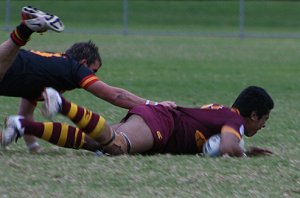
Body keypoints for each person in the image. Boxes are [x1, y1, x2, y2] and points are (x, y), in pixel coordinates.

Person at [0, 6, 176, 153]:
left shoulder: (49, 76)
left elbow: (24, 115)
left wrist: (34, 148)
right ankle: (25, 29)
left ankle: (26, 29)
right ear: (84, 63)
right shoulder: (73, 68)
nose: (94, 76)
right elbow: (116, 95)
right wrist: (154, 105)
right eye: (94, 70)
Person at [1, 86, 274, 157]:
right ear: (252, 115)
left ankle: (22, 125)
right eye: (264, 120)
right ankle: (61, 104)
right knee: (116, 146)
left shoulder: (220, 111)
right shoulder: (234, 120)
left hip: (158, 118)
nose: (262, 127)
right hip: (161, 124)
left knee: (92, 142)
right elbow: (227, 147)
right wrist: (244, 153)